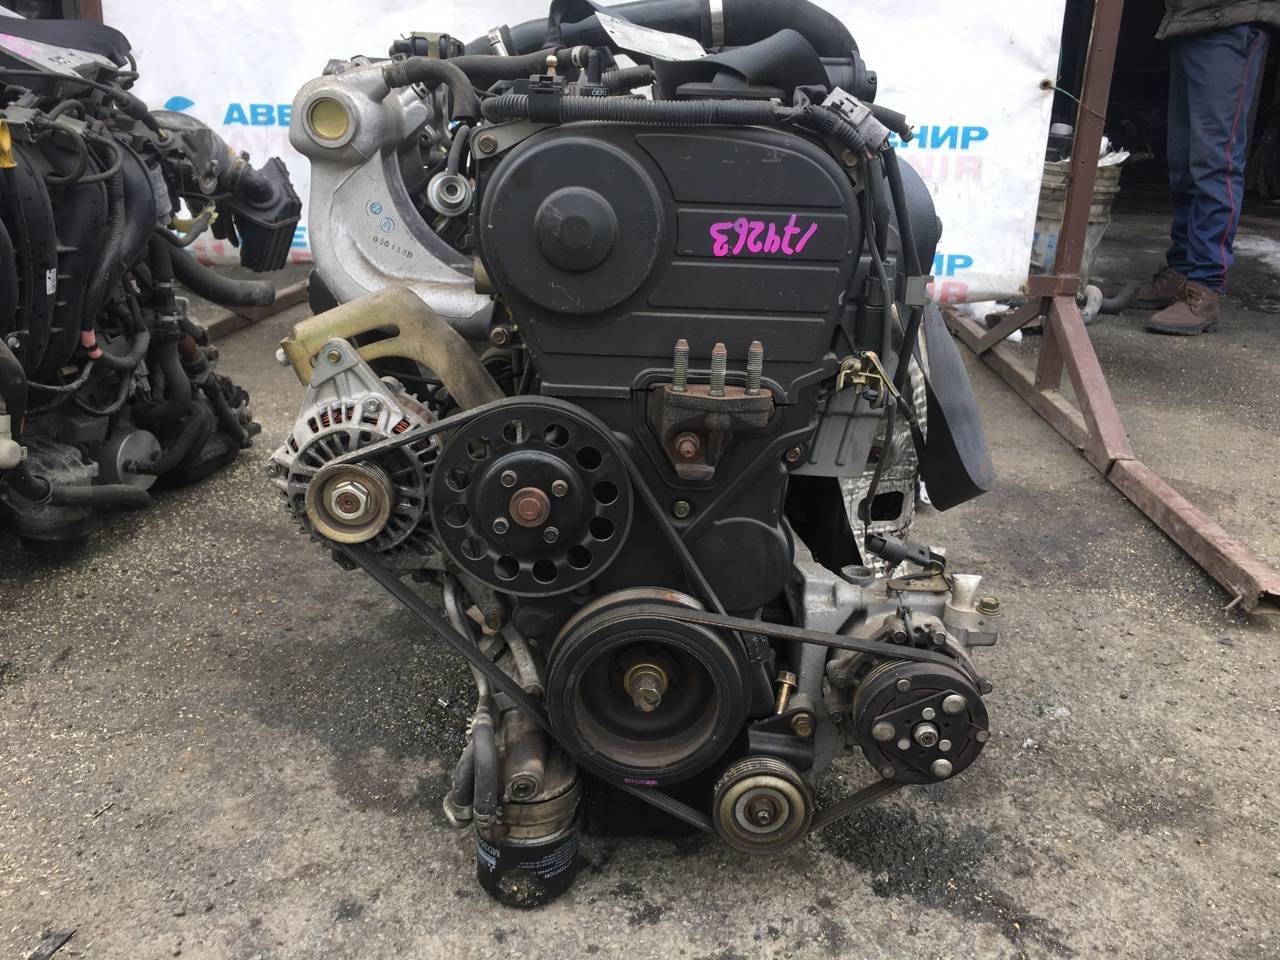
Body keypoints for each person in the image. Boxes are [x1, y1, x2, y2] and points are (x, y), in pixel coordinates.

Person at [1133, 1, 1277, 335]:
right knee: (1183, 162)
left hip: (1230, 20)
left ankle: (1205, 285)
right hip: (1190, 21)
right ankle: (1182, 270)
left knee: (1215, 162)